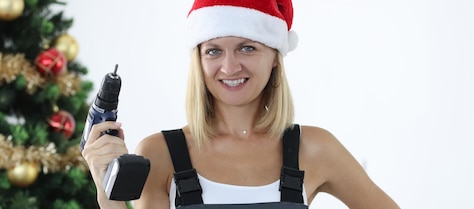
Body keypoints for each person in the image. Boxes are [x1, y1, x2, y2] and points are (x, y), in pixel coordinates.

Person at [82, 0, 400, 208]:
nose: (230, 67)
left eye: (247, 48)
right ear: (199, 60)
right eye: (214, 51)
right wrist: (105, 190)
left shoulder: (314, 148)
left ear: (275, 56)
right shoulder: (159, 153)